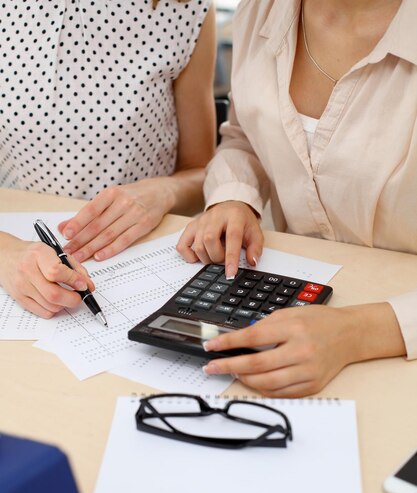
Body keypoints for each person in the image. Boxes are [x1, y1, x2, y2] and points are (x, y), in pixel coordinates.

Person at [177, 0, 417, 397]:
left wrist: (359, 333)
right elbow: (244, 136)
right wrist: (234, 197)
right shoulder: (260, 10)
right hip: (298, 311)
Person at [0, 0, 216, 319]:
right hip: (13, 257)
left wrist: (164, 191)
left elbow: (203, 172)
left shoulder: (186, 10)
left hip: (137, 264)